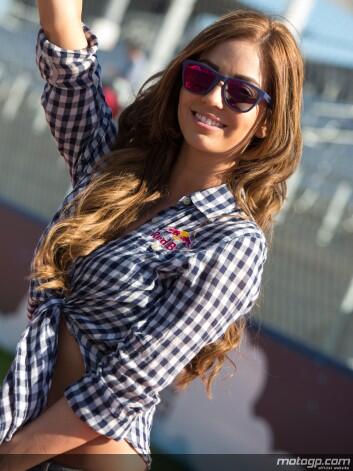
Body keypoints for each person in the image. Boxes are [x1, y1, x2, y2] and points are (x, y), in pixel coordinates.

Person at [0, 1, 304, 470]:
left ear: (265, 122)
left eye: (241, 93)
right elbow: (70, 71)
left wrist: (13, 456)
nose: (214, 98)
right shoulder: (116, 174)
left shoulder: (234, 243)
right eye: (203, 77)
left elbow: (127, 382)